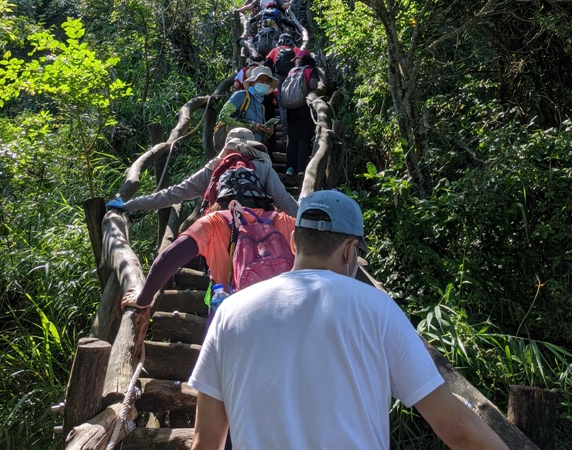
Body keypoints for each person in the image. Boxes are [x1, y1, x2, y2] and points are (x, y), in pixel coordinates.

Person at [188, 191, 510, 450]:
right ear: (350, 251)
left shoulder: (230, 313)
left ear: (294, 243)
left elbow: (205, 443)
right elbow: (458, 430)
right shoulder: (378, 310)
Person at [120, 180, 296, 313]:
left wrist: (143, 298)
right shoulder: (286, 221)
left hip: (235, 312)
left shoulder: (214, 221)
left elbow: (169, 258)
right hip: (284, 310)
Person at [107, 128, 298, 218]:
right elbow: (286, 202)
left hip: (217, 224)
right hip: (255, 227)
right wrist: (308, 218)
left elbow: (173, 194)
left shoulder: (214, 169)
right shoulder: (263, 167)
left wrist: (129, 205)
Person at [217, 65, 278, 144]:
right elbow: (223, 116)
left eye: (267, 81)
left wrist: (268, 131)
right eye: (261, 80)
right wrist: (251, 125)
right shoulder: (241, 95)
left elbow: (259, 132)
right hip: (237, 146)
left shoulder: (261, 106)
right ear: (252, 82)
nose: (264, 83)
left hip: (255, 148)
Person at [281, 50, 319, 176]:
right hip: (304, 108)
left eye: (296, 59)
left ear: (300, 59)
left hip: (290, 109)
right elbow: (313, 85)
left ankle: (290, 168)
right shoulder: (311, 70)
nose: (295, 62)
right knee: (304, 139)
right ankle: (302, 169)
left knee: (291, 139)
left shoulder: (292, 72)